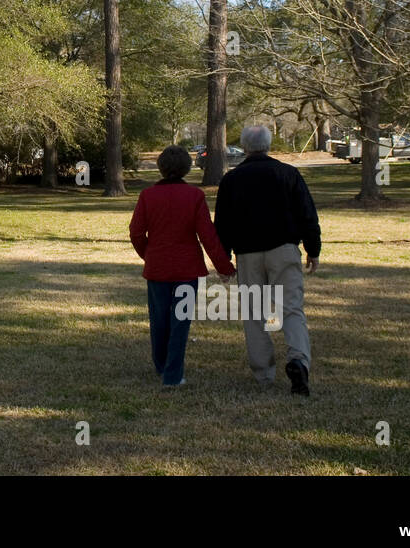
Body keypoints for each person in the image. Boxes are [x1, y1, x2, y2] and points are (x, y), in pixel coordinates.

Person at [213, 126, 321, 396]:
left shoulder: (232, 180)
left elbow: (223, 224)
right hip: (284, 248)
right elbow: (307, 213)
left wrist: (223, 260)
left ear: (246, 147)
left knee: (254, 314)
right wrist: (313, 248)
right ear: (268, 145)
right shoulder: (288, 173)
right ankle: (298, 361)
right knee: (292, 309)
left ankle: (263, 373)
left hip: (248, 253)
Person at [129, 145, 236, 388]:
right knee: (180, 321)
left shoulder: (148, 196)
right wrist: (224, 266)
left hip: (158, 267)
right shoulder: (195, 196)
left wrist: (149, 255)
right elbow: (208, 236)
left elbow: (136, 232)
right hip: (186, 269)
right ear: (187, 168)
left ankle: (161, 365)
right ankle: (173, 374)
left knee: (158, 319)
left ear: (161, 168)